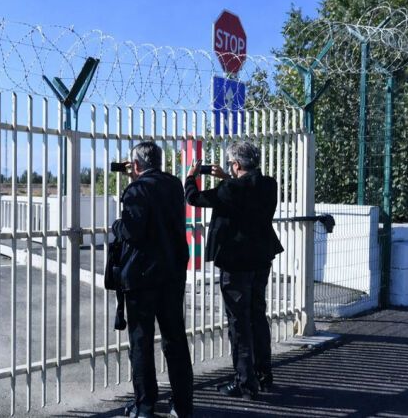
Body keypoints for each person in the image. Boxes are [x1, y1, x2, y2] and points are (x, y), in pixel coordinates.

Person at [184, 140, 283, 400]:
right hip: (261, 258)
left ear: (237, 164)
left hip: (236, 263)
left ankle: (244, 382)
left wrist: (191, 177)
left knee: (239, 323)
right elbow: (245, 192)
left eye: (231, 164)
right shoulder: (268, 184)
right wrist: (228, 176)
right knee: (257, 317)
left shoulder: (230, 189)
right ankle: (263, 375)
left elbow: (194, 198)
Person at [111, 141, 193, 418]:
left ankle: (145, 406)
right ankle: (182, 405)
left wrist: (116, 225)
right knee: (175, 340)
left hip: (142, 276)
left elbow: (131, 231)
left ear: (135, 165)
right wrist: (136, 178)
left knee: (141, 342)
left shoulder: (135, 189)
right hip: (172, 273)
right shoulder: (174, 185)